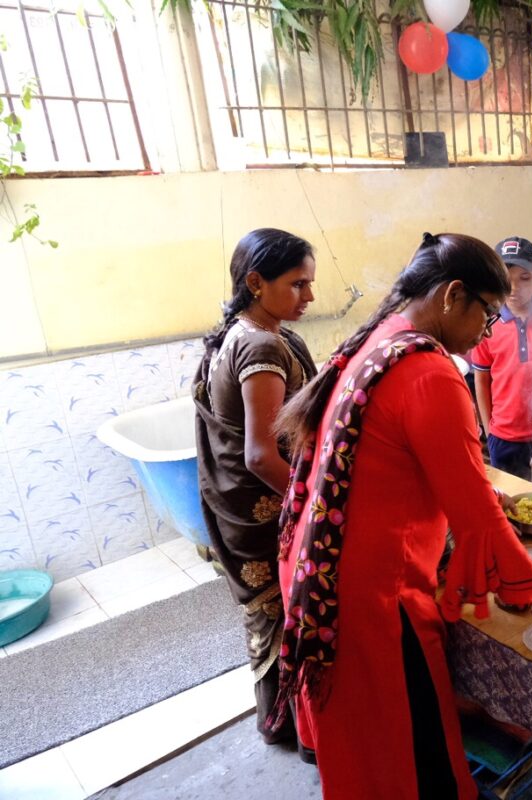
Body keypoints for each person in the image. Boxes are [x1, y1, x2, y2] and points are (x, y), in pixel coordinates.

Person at [272, 232, 532, 799]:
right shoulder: (428, 372)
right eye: (488, 312)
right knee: (408, 752)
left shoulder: (381, 336)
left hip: (321, 572)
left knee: (364, 749)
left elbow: (404, 468)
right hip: (377, 602)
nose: (489, 329)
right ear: (453, 296)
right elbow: (475, 516)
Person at [193, 228, 318, 744]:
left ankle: (288, 722)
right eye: (297, 284)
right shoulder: (261, 344)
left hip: (241, 504)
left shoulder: (248, 332)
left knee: (275, 615)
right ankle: (284, 725)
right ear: (255, 283)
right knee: (280, 614)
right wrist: (315, 502)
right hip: (262, 509)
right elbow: (261, 455)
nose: (309, 296)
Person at [471, 236, 532, 481]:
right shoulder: (487, 324)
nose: (515, 288)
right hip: (504, 435)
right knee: (511, 504)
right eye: (506, 280)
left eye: (525, 278)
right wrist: (490, 431)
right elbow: (481, 380)